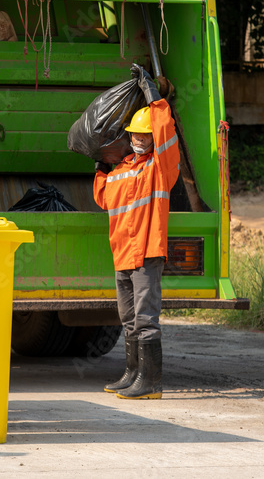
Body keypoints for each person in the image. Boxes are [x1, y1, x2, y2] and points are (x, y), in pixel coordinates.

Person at [93, 63, 179, 399]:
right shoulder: (120, 171)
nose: (140, 139)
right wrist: (100, 164)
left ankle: (151, 383)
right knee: (128, 319)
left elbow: (165, 131)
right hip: (123, 256)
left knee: (145, 319)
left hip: (146, 254)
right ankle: (133, 374)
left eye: (145, 135)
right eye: (135, 134)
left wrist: (151, 95)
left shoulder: (160, 167)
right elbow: (102, 197)